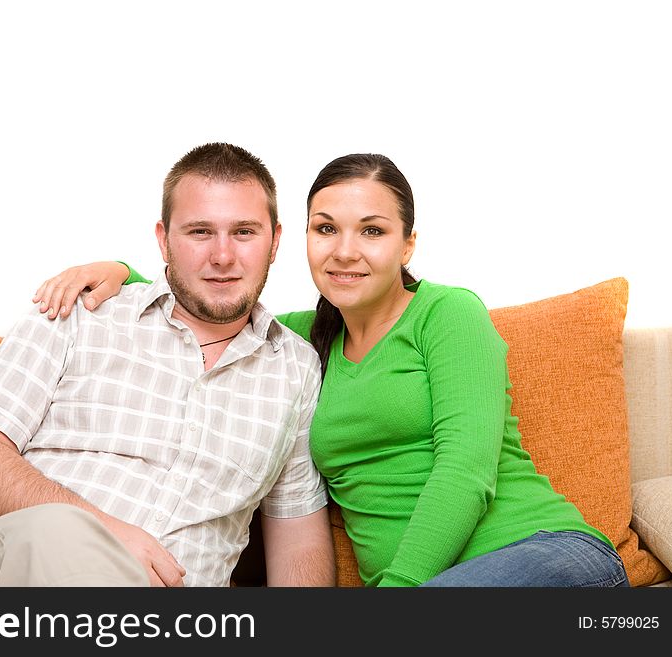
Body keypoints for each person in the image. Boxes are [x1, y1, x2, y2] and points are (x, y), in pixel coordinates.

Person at [35, 153, 629, 587]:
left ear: (408, 245)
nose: (345, 250)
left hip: (546, 558)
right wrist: (118, 270)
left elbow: (466, 471)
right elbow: (210, 300)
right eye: (327, 229)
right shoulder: (298, 338)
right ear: (301, 240)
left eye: (372, 231)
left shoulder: (448, 313)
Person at [0, 142, 335, 588]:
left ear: (275, 241)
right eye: (200, 232)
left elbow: (299, 541)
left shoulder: (295, 369)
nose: (222, 256)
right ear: (164, 240)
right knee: (61, 536)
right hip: (11, 577)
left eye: (244, 232)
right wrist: (99, 535)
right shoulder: (81, 310)